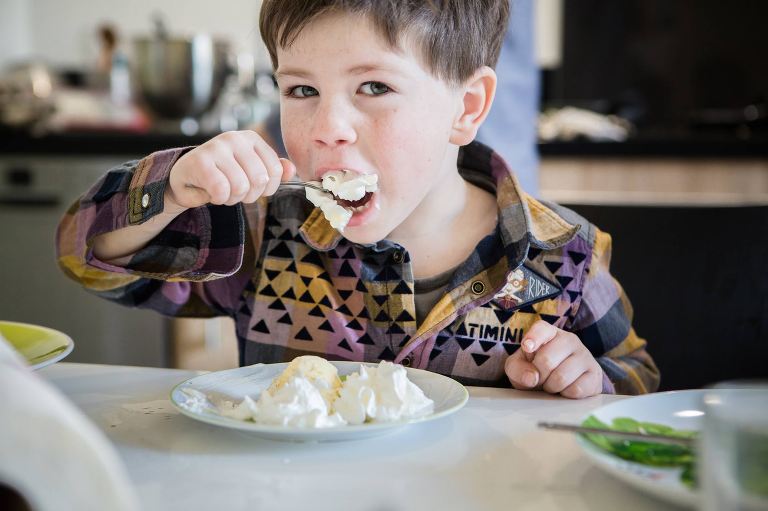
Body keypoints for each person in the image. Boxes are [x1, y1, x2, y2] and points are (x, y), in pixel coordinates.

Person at [56, 0, 659, 397]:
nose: (327, 127)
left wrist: (590, 380)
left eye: (374, 86)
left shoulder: (561, 256)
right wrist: (174, 186)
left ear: (466, 107)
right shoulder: (267, 231)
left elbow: (637, 381)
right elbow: (94, 261)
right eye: (301, 89)